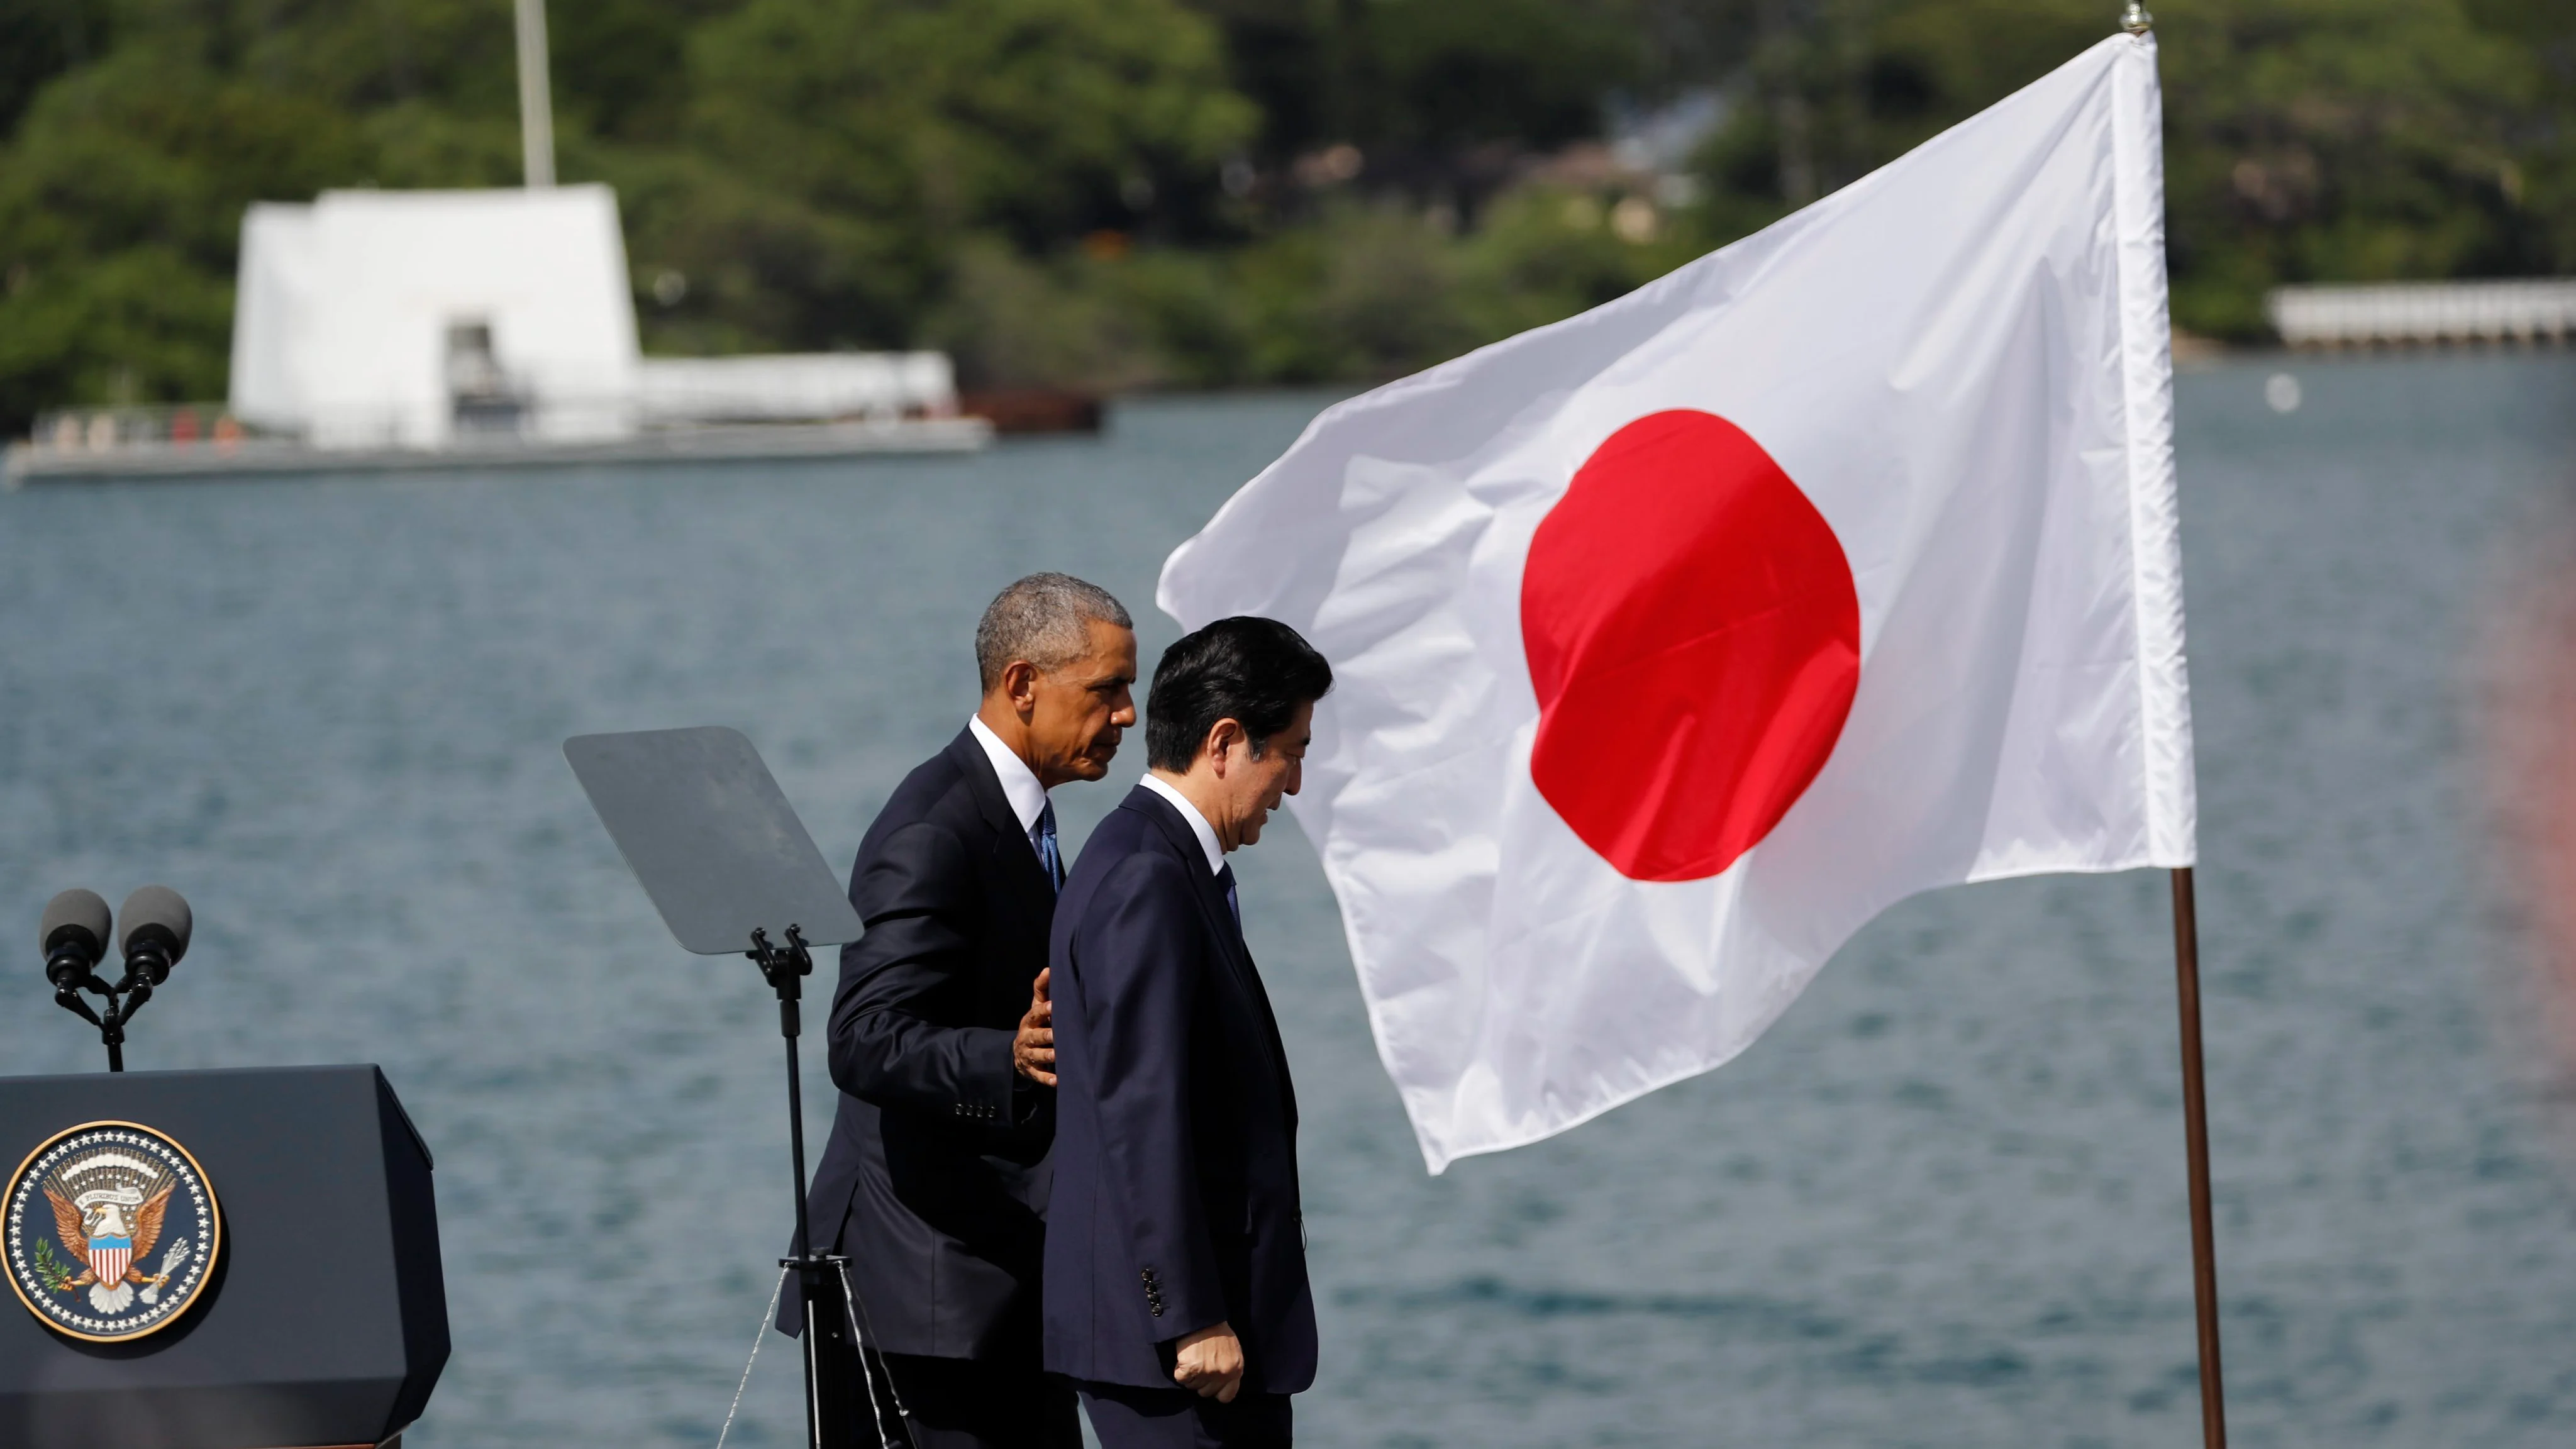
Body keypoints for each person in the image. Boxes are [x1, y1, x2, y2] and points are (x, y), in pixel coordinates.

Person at [791, 572, 1137, 1449]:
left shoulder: (1024, 822)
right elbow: (862, 1038)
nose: (1128, 715)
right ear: (1023, 685)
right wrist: (1007, 1058)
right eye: (1106, 690)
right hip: (930, 1305)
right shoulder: (932, 830)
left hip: (1006, 1284)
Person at [1040, 616, 1331, 1448]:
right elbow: (1143, 1111)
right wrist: (1190, 1314)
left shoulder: (1157, 861)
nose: (1296, 783)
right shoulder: (1148, 879)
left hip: (1184, 1342)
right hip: (1173, 1352)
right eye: (1292, 751)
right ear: (1228, 741)